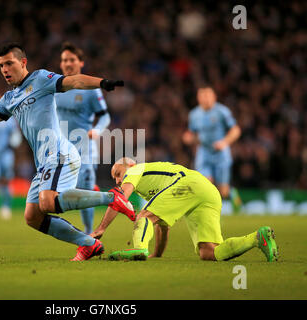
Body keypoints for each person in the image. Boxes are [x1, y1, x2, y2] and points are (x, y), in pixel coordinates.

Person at [0, 42, 134, 261]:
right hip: (44, 162)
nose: (5, 69)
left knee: (47, 202)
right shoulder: (9, 98)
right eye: (1, 65)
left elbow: (74, 80)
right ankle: (89, 244)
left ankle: (112, 197)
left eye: (9, 63)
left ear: (23, 63)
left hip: (59, 153)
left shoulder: (41, 79)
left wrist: (102, 82)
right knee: (33, 216)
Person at [90, 158, 279, 262]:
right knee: (209, 252)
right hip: (207, 190)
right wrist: (158, 255)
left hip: (187, 184)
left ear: (129, 166)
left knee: (143, 216)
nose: (117, 180)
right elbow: (162, 226)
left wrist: (101, 228)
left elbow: (119, 198)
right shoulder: (151, 186)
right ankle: (257, 238)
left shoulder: (135, 169)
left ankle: (139, 249)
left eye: (118, 174)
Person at [55, 42, 111, 234]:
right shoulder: (56, 87)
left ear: (81, 63)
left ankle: (88, 232)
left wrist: (97, 130)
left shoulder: (90, 89)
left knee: (84, 187)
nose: (67, 63)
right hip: (60, 148)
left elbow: (105, 115)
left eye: (71, 59)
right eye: (64, 60)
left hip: (84, 147)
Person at [182, 86, 242, 213]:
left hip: (221, 153)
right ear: (198, 98)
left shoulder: (222, 111)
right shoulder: (194, 114)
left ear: (214, 97)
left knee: (223, 190)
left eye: (208, 96)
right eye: (202, 96)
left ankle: (231, 193)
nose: (206, 99)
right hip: (204, 152)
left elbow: (236, 130)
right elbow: (191, 133)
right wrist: (188, 138)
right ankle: (207, 211)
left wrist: (225, 142)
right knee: (205, 184)